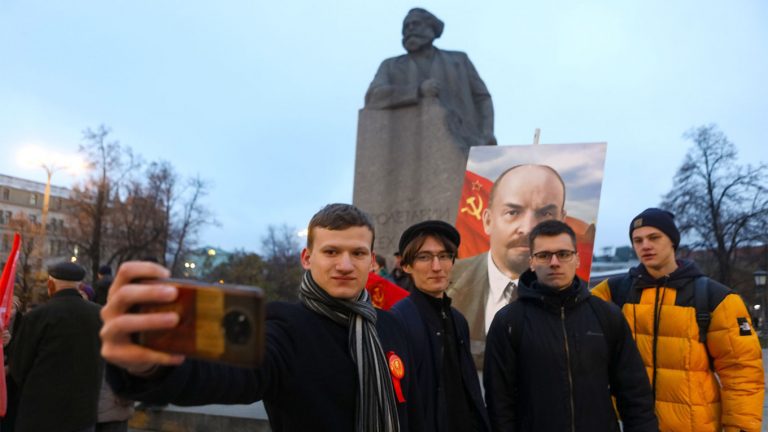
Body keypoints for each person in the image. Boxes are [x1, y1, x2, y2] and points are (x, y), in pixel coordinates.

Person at [101, 203, 423, 431]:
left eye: (358, 253)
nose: (345, 265)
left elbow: (413, 412)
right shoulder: (286, 327)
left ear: (372, 261)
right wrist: (150, 367)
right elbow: (230, 376)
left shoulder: (391, 326)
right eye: (331, 251)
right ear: (307, 258)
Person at [592, 208, 764, 431]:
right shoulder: (614, 290)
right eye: (638, 240)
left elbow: (741, 372)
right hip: (634, 423)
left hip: (695, 425)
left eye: (654, 237)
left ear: (672, 241)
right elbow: (571, 312)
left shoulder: (717, 298)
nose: (645, 245)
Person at [484, 220, 657, 431]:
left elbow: (635, 394)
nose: (554, 262)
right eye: (544, 255)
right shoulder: (509, 322)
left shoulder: (606, 315)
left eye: (563, 254)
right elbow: (499, 403)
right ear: (531, 262)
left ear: (577, 259)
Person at [449, 164, 591, 368]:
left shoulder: (590, 304)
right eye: (513, 212)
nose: (528, 228)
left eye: (545, 214)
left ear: (562, 222)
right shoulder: (443, 282)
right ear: (488, 221)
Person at [391, 221, 489, 432]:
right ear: (407, 266)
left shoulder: (458, 319)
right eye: (424, 257)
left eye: (444, 256)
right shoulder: (398, 320)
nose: (437, 267)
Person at [365, 8, 495, 147]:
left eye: (416, 24)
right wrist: (417, 91)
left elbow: (482, 98)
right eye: (406, 26)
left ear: (431, 29)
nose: (410, 29)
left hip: (463, 142)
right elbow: (373, 96)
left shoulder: (459, 60)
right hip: (409, 145)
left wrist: (487, 133)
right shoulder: (390, 65)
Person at [9, 262, 103, 432]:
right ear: (80, 286)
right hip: (83, 412)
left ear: (51, 284)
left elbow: (19, 366)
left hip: (42, 412)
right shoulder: (100, 315)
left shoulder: (37, 317)